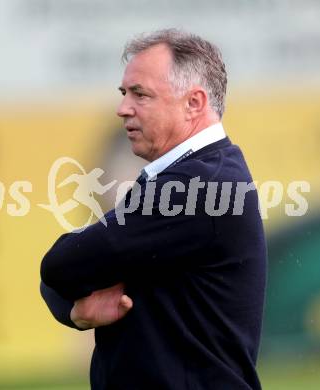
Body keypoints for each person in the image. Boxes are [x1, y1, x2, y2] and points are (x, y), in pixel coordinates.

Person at [40, 29, 267, 389]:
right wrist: (74, 309)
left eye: (140, 94)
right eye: (124, 93)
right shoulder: (186, 176)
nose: (123, 107)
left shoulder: (202, 185)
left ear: (194, 102)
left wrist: (72, 298)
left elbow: (61, 265)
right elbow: (67, 270)